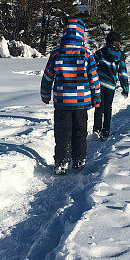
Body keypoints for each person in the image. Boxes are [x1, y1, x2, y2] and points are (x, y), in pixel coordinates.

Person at [41, 17, 101, 175]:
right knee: (80, 131)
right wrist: (97, 98)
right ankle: (79, 160)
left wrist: (45, 94)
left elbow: (47, 77)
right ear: (81, 34)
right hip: (81, 102)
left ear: (65, 33)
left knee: (62, 132)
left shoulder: (56, 53)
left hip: (62, 102)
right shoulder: (86, 54)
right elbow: (94, 79)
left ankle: (61, 162)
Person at [93, 31, 129, 140]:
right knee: (108, 108)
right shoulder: (120, 56)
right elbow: (122, 73)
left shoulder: (101, 52)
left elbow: (91, 65)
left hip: (98, 84)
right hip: (111, 86)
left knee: (98, 106)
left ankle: (97, 129)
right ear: (118, 42)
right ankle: (106, 131)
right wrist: (125, 88)